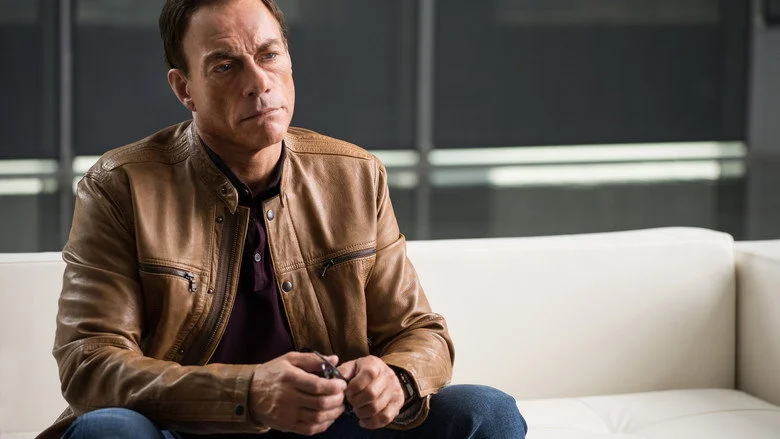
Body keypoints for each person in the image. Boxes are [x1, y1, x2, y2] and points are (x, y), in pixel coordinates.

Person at [38, 0, 527, 438]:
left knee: (486, 411)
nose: (259, 82)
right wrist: (247, 393)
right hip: (184, 429)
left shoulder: (355, 175)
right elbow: (90, 363)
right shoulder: (121, 185)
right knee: (110, 431)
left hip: (327, 426)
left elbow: (419, 331)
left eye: (269, 55)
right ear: (185, 88)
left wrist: (396, 377)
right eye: (225, 66)